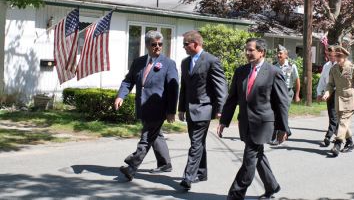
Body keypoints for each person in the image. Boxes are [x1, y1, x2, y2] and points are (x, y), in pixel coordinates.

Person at [217, 38, 290, 200]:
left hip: (263, 124)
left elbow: (282, 103)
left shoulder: (273, 72)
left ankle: (236, 194)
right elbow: (232, 98)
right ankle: (272, 186)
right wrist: (224, 121)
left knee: (249, 158)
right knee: (258, 156)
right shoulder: (241, 71)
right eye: (247, 50)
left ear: (261, 52)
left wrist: (283, 128)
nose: (248, 53)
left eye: (251, 50)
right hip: (245, 123)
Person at [115, 30, 179, 181]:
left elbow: (173, 89)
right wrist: (120, 95)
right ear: (147, 45)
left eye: (160, 44)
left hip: (158, 108)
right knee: (156, 135)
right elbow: (128, 81)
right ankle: (165, 164)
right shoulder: (138, 62)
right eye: (154, 44)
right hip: (142, 106)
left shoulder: (169, 64)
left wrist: (171, 111)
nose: (157, 47)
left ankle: (132, 167)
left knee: (147, 137)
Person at [178, 30, 228, 190]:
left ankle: (188, 177)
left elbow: (221, 86)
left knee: (196, 143)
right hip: (190, 109)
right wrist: (181, 108)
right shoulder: (185, 62)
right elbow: (184, 87)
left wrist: (221, 109)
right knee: (197, 143)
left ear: (196, 44)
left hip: (204, 109)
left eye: (186, 44)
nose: (184, 47)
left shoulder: (211, 60)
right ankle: (201, 172)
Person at [322, 46, 354, 157]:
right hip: (338, 99)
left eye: (339, 56)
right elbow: (330, 84)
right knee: (344, 123)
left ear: (345, 56)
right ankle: (350, 142)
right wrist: (327, 92)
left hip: (350, 99)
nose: (337, 58)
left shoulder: (353, 68)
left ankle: (337, 144)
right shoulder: (334, 69)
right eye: (336, 56)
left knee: (342, 122)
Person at [269, 44, 300, 145]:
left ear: (286, 55)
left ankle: (280, 137)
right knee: (276, 114)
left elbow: (297, 81)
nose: (278, 55)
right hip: (276, 92)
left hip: (287, 92)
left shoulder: (291, 66)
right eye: (277, 53)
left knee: (283, 113)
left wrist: (297, 95)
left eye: (280, 53)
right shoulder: (274, 66)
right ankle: (286, 131)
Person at [316, 45, 338, 147]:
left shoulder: (340, 65)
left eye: (331, 54)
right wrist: (319, 93)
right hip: (329, 93)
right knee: (333, 115)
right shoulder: (326, 66)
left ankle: (328, 136)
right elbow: (322, 80)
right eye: (328, 54)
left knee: (335, 116)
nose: (329, 56)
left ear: (336, 53)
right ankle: (344, 138)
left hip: (339, 93)